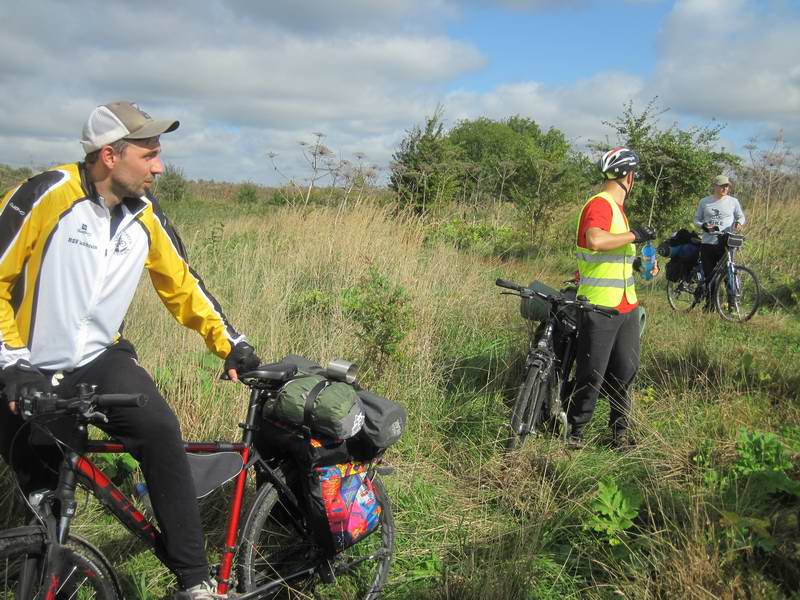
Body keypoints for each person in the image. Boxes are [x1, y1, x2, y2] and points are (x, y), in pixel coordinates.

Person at [0, 101, 260, 599]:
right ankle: (58, 571)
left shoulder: (145, 214)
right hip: (27, 365)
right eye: (150, 154)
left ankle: (195, 581)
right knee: (46, 486)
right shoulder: (45, 195)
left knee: (160, 430)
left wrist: (231, 344)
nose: (160, 166)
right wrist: (12, 363)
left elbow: (182, 285)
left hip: (101, 357)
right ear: (109, 156)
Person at [567, 147, 655, 450]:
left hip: (626, 306)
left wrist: (643, 264)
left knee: (625, 373)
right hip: (600, 306)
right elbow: (596, 239)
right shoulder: (601, 204)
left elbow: (615, 258)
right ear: (629, 177)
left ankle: (620, 435)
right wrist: (634, 236)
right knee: (592, 375)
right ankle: (575, 435)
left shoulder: (618, 211)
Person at [694, 174, 745, 303]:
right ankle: (709, 305)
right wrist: (704, 226)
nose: (725, 188)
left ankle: (731, 304)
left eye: (727, 186)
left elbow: (741, 217)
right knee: (710, 275)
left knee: (729, 274)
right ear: (715, 186)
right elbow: (696, 220)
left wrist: (739, 224)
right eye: (722, 186)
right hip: (708, 243)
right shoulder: (704, 201)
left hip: (726, 243)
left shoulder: (733, 201)